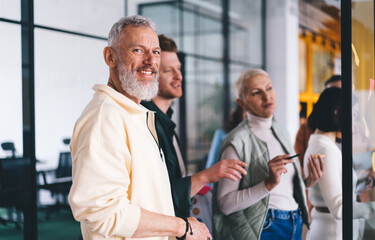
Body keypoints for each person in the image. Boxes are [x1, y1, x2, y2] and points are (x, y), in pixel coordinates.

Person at [68, 16, 211, 240]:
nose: (150, 60)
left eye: (155, 52)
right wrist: (181, 227)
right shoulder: (105, 116)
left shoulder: (136, 114)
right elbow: (102, 212)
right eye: (138, 50)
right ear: (110, 57)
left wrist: (178, 228)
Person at [141, 34, 247, 219]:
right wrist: (206, 176)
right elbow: (154, 197)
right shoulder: (145, 123)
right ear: (150, 76)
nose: (179, 76)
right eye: (168, 71)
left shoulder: (166, 121)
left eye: (179, 69)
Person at [212, 68, 324, 240]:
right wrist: (267, 184)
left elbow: (283, 188)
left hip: (294, 221)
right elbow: (225, 204)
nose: (266, 96)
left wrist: (309, 181)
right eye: (256, 92)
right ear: (241, 102)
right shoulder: (236, 143)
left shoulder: (281, 131)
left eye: (269, 88)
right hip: (264, 227)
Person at [304, 87, 375, 240]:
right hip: (332, 233)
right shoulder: (324, 148)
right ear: (336, 112)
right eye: (354, 115)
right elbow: (339, 208)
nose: (355, 122)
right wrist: (371, 209)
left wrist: (361, 182)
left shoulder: (323, 144)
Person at [294, 74, 342, 168]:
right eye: (331, 92)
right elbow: (298, 162)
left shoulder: (356, 126)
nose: (337, 97)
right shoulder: (307, 127)